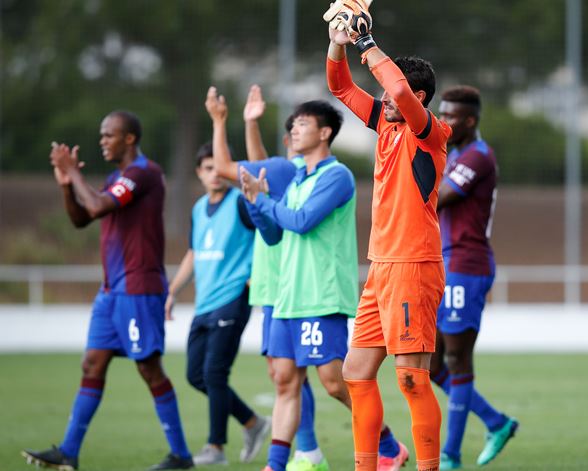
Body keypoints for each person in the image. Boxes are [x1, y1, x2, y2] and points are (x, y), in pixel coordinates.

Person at [208, 89, 407, 471]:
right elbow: (274, 235)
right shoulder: (298, 179)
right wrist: (256, 203)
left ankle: (388, 444)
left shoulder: (337, 176)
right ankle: (276, 464)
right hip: (288, 297)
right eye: (292, 125)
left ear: (326, 132)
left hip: (322, 295)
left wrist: (264, 201)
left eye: (302, 124)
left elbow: (301, 222)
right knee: (285, 380)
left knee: (334, 383)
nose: (293, 131)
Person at [23, 111, 193, 470]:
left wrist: (74, 172)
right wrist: (66, 184)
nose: (102, 141)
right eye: (101, 135)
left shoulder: (144, 173)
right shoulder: (118, 177)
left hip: (138, 287)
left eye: (108, 135)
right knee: (92, 363)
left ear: (129, 139)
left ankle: (180, 455)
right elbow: (81, 218)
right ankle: (69, 451)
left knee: (149, 368)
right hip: (111, 291)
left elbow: (98, 205)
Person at [326, 6, 453, 470]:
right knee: (355, 373)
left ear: (419, 97)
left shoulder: (430, 133)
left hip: (414, 266)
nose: (384, 95)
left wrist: (367, 42)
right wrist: (339, 40)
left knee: (412, 380)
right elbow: (339, 86)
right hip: (381, 267)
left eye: (396, 91)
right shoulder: (386, 123)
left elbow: (396, 85)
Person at [165, 143, 270, 465]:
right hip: (204, 303)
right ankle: (253, 423)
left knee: (214, 372)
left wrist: (255, 276)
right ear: (199, 173)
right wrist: (171, 292)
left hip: (233, 298)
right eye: (208, 168)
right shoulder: (198, 209)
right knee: (196, 375)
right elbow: (194, 254)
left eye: (219, 167)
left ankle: (215, 448)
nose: (214, 174)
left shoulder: (241, 202)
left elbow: (267, 235)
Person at [430, 85, 517, 470]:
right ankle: (496, 422)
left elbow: (438, 197)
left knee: (456, 357)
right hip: (441, 263)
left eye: (450, 115)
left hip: (467, 265)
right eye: (441, 112)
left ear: (469, 120)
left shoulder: (479, 156)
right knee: (431, 365)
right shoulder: (453, 152)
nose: (443, 119)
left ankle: (449, 455)